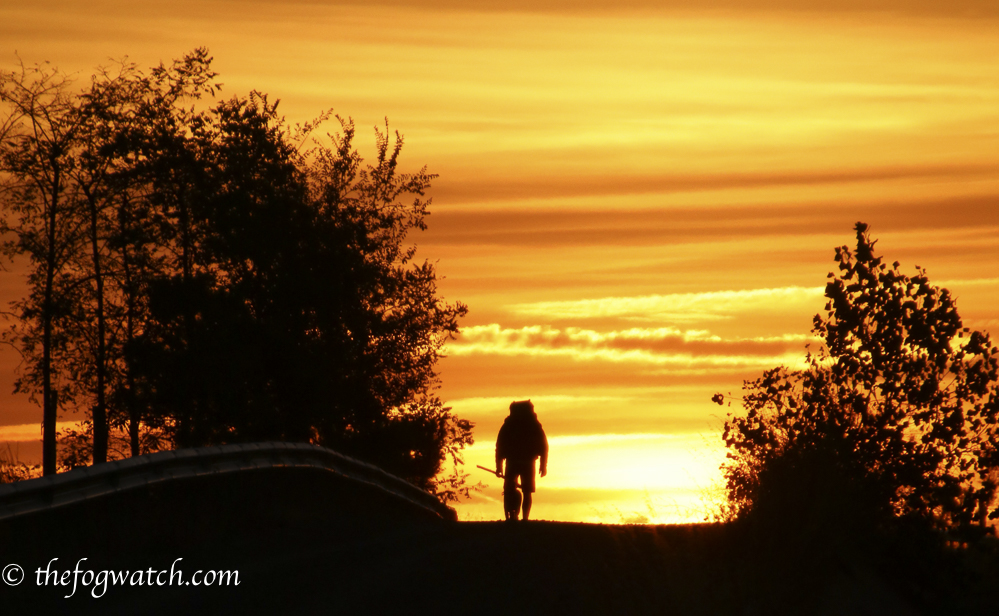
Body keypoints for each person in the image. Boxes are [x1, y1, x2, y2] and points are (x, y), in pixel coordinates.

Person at [495, 399, 548, 521]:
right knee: (520, 491)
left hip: (520, 462)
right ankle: (521, 518)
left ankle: (519, 518)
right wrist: (543, 465)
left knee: (519, 490)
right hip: (523, 462)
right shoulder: (533, 425)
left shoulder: (510, 425)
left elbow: (500, 446)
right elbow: (543, 446)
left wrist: (499, 466)